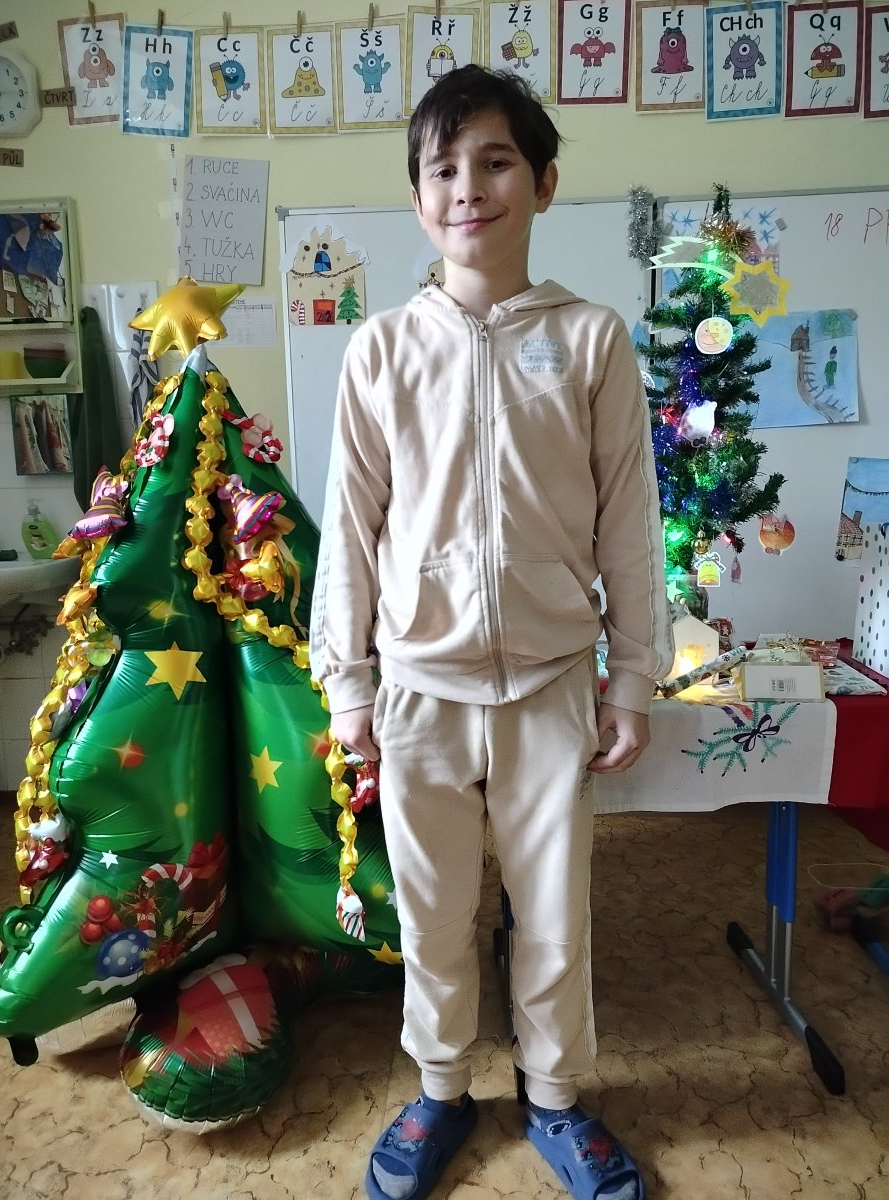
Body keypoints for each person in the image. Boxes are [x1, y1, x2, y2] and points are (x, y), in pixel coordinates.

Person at [310, 64, 674, 1200]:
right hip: (418, 688)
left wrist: (632, 678)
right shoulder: (380, 351)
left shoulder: (591, 340)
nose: (469, 186)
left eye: (496, 161)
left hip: (551, 682)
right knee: (432, 914)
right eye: (443, 168)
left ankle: (555, 1100)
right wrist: (348, 682)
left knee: (554, 913)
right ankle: (439, 1090)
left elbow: (630, 522)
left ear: (544, 182)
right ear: (420, 201)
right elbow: (350, 531)